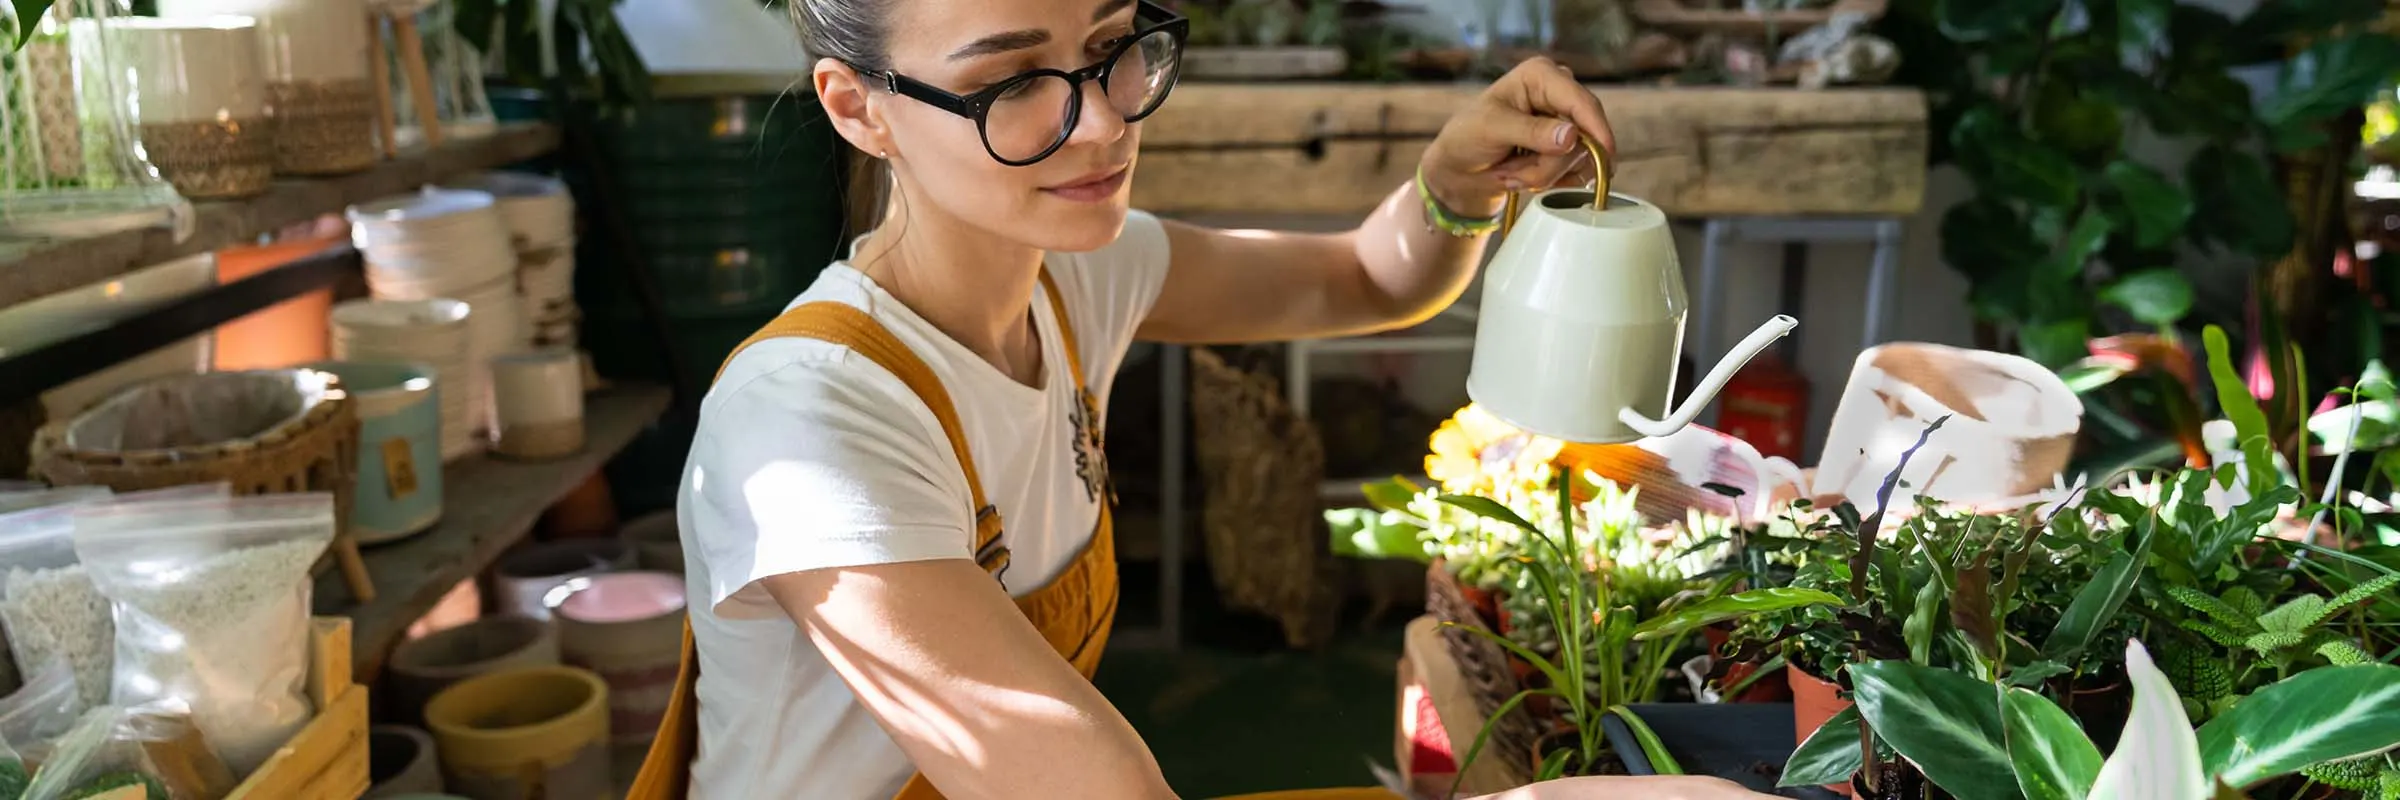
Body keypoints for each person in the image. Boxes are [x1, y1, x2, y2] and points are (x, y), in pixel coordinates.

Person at [628, 0, 1788, 798]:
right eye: (1012, 82)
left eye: (1113, 45)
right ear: (857, 106)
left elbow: (1366, 278)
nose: (1103, 117)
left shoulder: (1077, 276)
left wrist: (1450, 184)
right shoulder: (811, 424)